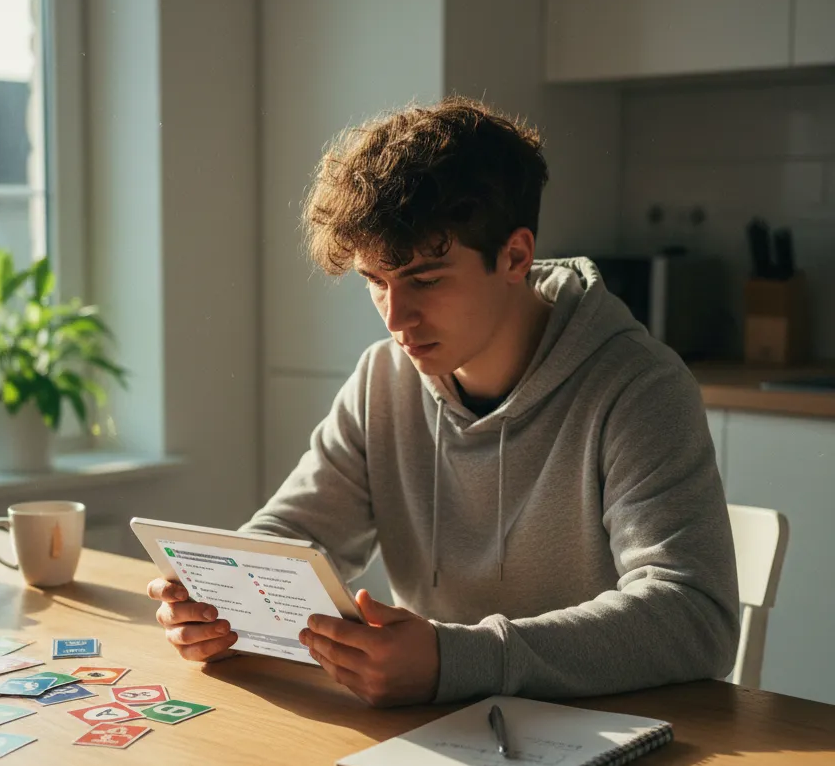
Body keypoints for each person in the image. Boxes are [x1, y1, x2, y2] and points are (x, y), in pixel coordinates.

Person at [148, 97, 739, 707]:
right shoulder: (384, 378)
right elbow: (295, 534)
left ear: (515, 256)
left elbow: (695, 616)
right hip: (433, 727)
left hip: (608, 737)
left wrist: (458, 659)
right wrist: (221, 600)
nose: (396, 319)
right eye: (376, 282)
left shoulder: (638, 387)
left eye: (425, 280)